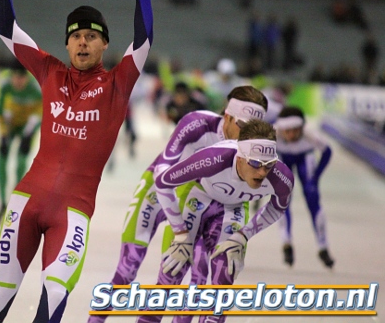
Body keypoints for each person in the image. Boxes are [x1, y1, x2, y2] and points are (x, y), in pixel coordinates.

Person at [0, 0, 153, 323]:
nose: (83, 44)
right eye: (76, 38)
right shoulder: (49, 72)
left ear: (105, 45)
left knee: (51, 309)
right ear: (67, 45)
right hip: (25, 202)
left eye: (92, 37)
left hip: (72, 213)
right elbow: (6, 29)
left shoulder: (118, 83)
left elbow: (143, 42)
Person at [87, 86, 268, 323]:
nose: (248, 137)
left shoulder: (254, 148)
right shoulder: (197, 125)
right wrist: (180, 231)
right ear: (227, 116)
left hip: (197, 199)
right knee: (127, 271)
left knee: (197, 281)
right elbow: (163, 174)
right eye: (243, 127)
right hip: (160, 190)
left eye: (254, 131)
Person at [135, 119, 293, 323]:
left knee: (225, 275)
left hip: (232, 207)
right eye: (255, 163)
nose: (262, 172)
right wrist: (180, 233)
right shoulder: (214, 158)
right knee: (171, 274)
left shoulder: (281, 176)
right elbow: (163, 183)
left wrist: (244, 235)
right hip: (197, 195)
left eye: (268, 165)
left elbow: (278, 208)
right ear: (239, 157)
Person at [274, 106, 334, 268]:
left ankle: (323, 246)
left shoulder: (310, 134)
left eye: (295, 131)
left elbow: (327, 152)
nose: (291, 135)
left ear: (302, 128)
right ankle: (286, 242)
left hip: (305, 158)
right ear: (281, 129)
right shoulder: (273, 134)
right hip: (283, 157)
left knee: (312, 195)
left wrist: (316, 178)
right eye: (287, 131)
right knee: (282, 199)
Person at [0, 64, 42, 223]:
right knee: (1, 161)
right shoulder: (6, 86)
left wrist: (29, 134)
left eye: (21, 78)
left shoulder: (35, 88)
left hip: (27, 127)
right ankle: (2, 202)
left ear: (26, 77)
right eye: (15, 78)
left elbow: (41, 113)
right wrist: (3, 133)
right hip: (10, 125)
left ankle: (15, 202)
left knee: (21, 162)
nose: (18, 82)